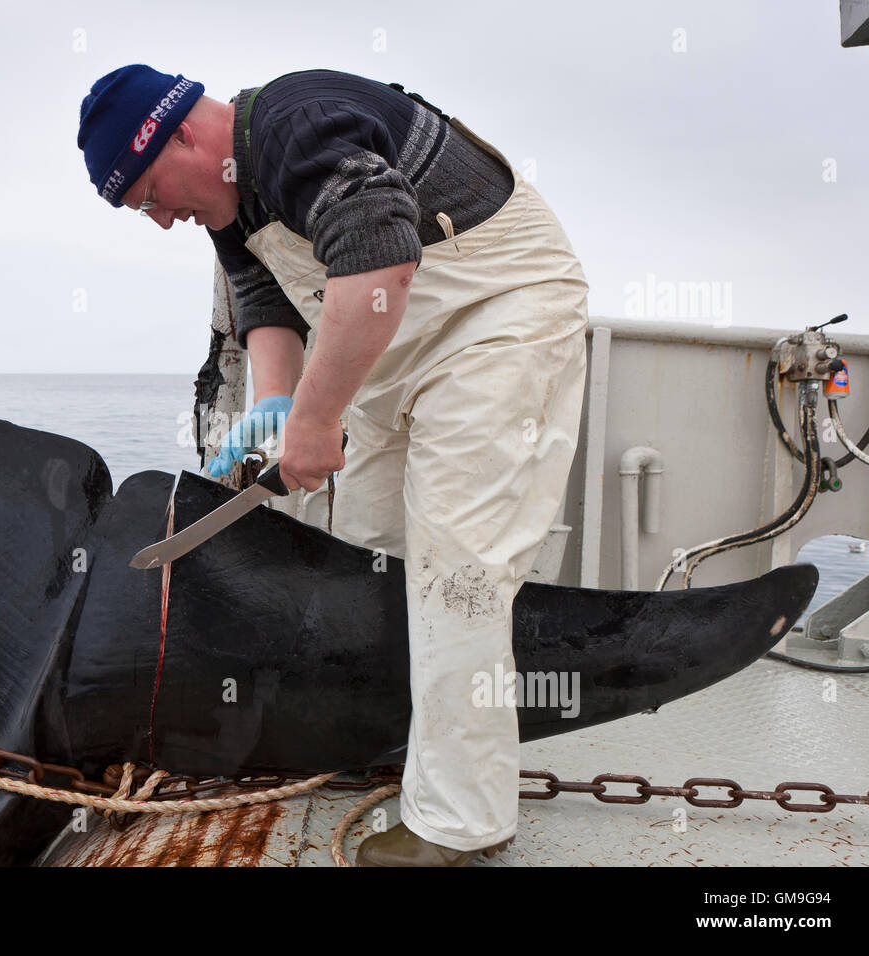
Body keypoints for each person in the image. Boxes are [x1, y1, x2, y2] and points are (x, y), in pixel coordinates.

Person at [78, 65, 588, 866]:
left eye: (149, 195)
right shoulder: (230, 201)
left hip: (495, 316)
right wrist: (278, 406)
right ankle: (382, 738)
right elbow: (266, 297)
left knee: (458, 567)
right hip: (392, 344)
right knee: (360, 549)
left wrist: (317, 421)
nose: (162, 220)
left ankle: (459, 821)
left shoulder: (296, 123)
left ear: (180, 132)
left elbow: (382, 255)